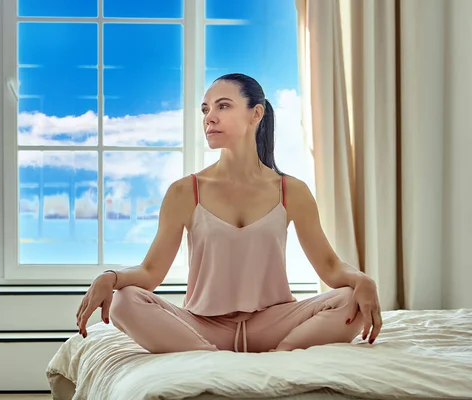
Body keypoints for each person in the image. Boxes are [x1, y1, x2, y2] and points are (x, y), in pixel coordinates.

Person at [75, 73, 382, 354]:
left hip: (274, 324)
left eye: (223, 106)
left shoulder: (291, 191)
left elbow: (329, 266)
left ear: (256, 114)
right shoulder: (185, 192)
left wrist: (361, 279)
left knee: (351, 298)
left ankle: (283, 356)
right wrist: (110, 277)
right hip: (203, 326)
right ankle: (209, 357)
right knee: (124, 302)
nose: (210, 117)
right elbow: (150, 274)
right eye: (205, 109)